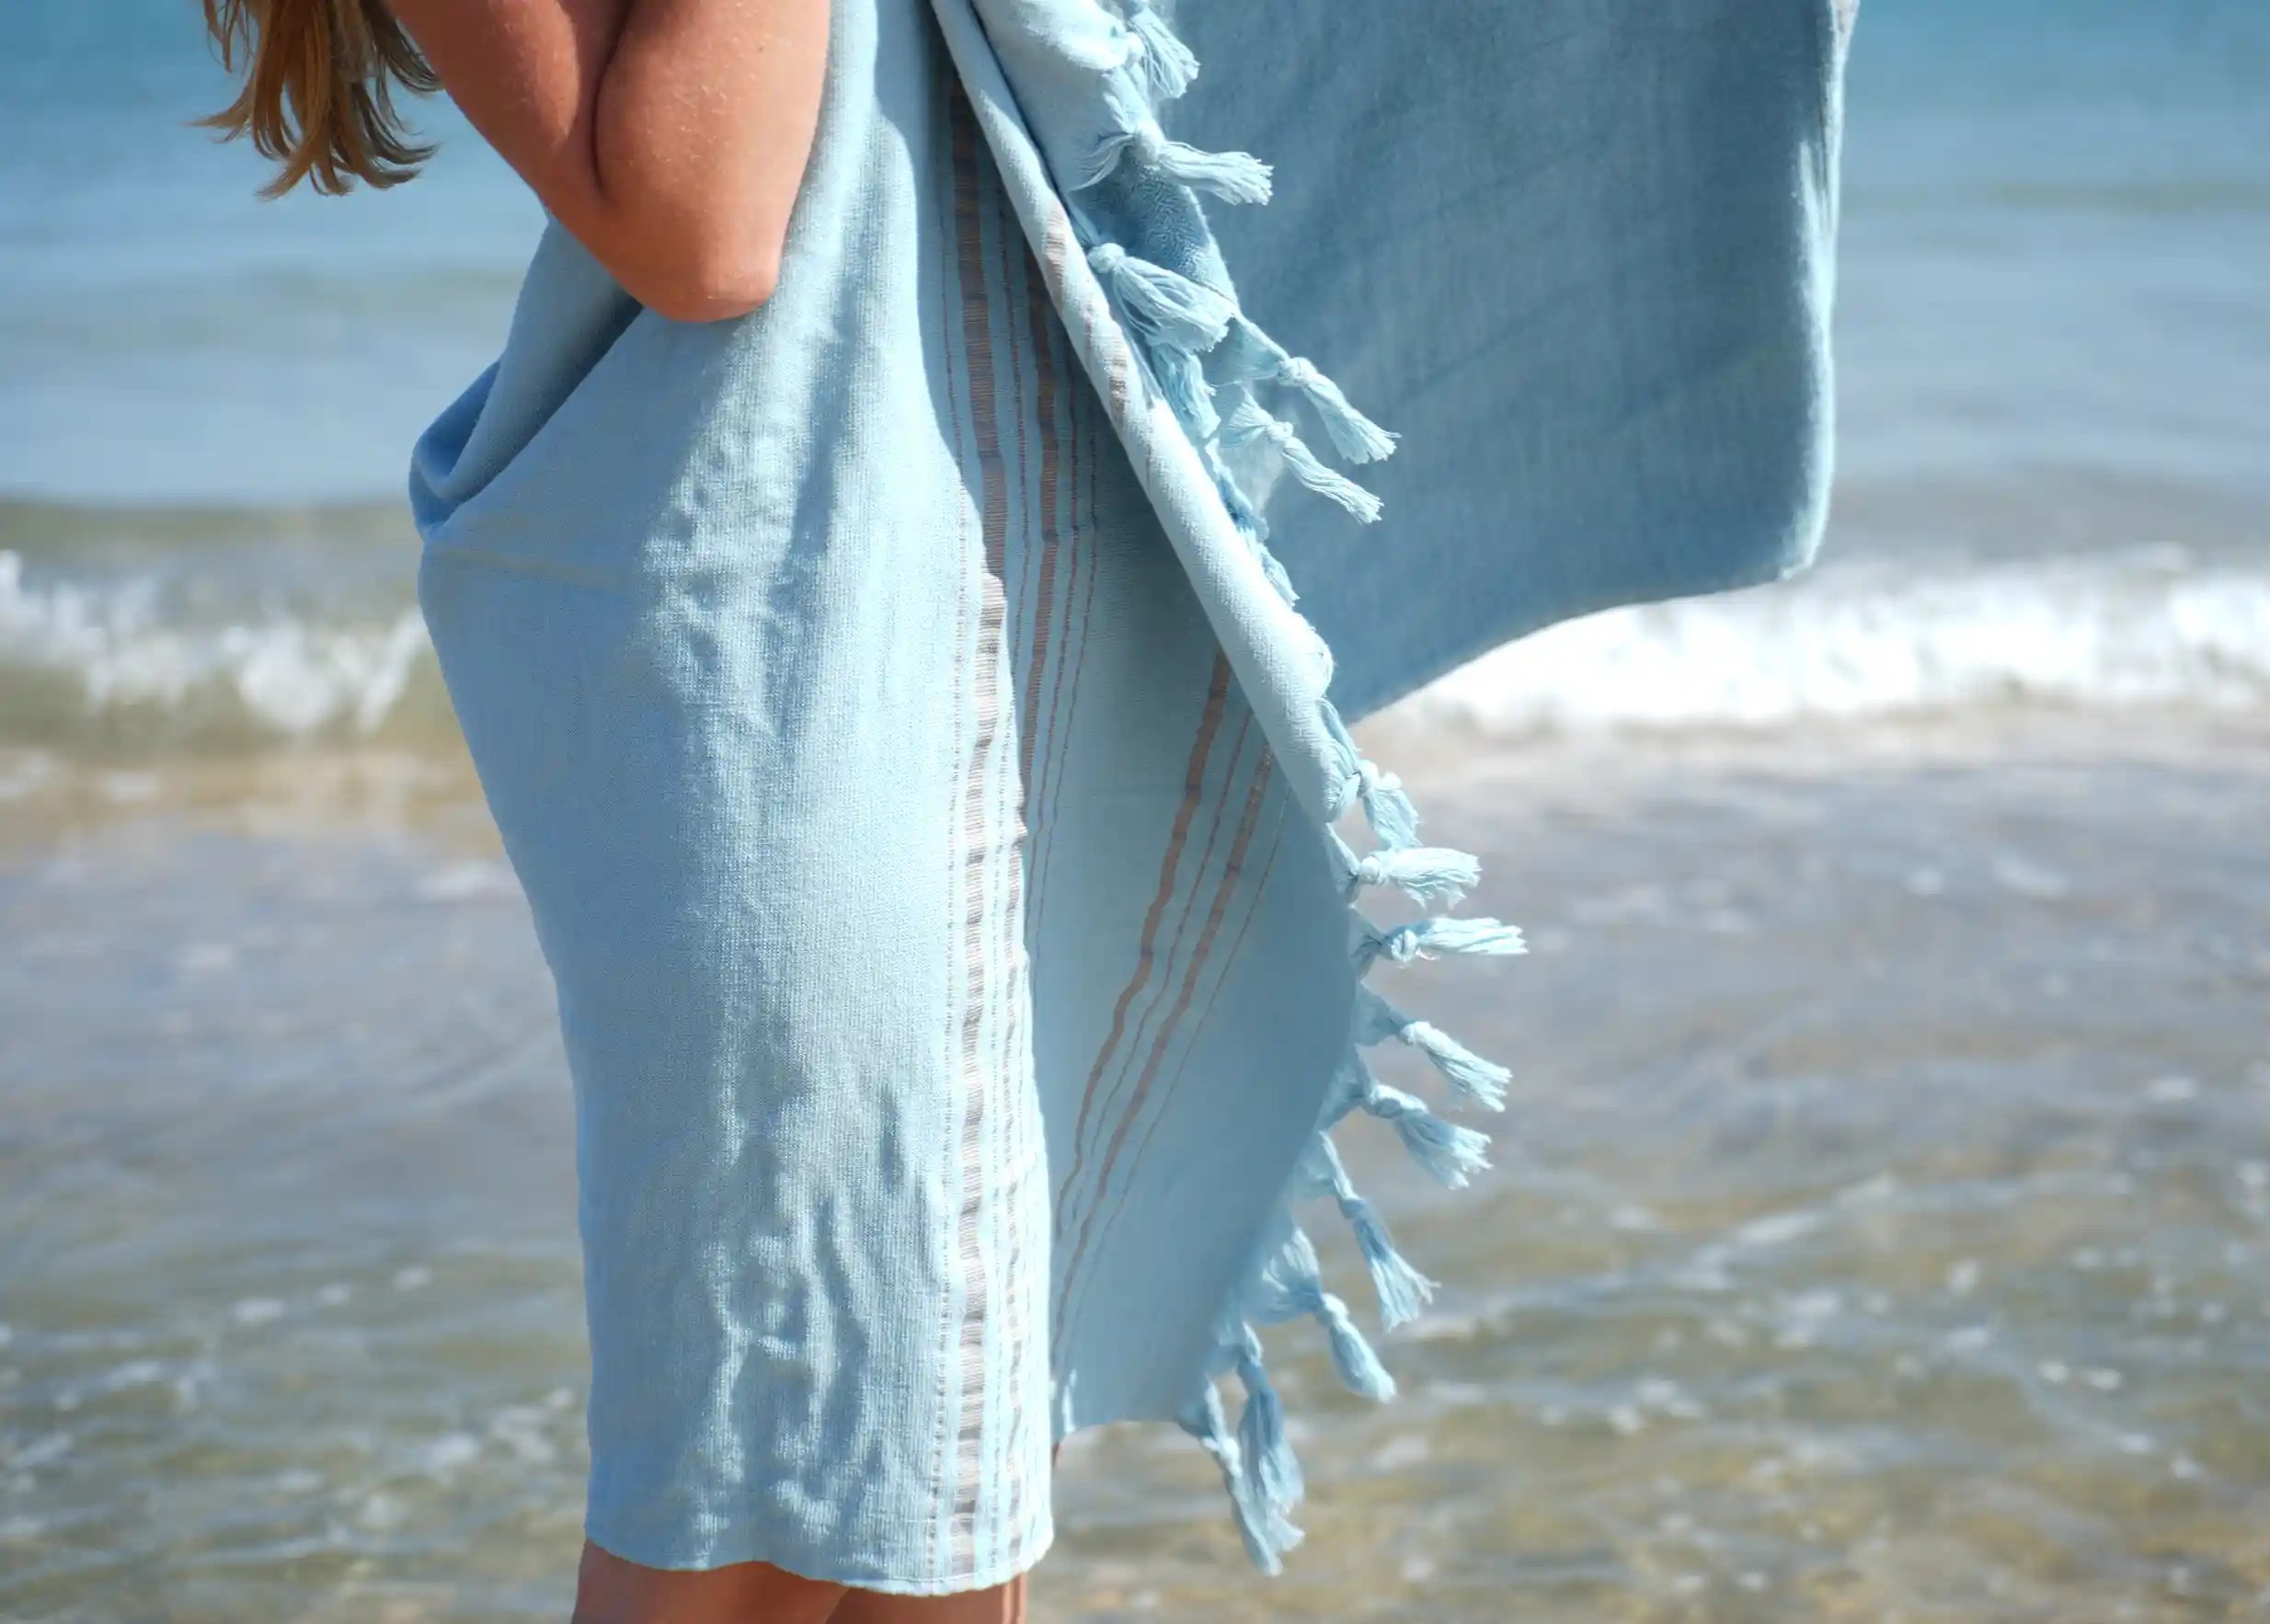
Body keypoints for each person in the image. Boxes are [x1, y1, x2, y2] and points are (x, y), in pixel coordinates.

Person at [201, 2, 1848, 1620]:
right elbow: (700, 224)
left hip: (992, 607)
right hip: (768, 637)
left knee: (946, 1471)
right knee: (756, 1490)